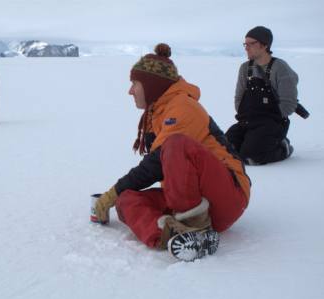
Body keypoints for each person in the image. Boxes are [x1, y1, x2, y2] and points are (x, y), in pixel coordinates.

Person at [94, 43, 251, 262]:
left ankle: (197, 229)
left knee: (175, 144)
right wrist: (117, 196)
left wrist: (112, 191)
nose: (130, 91)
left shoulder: (183, 108)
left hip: (228, 196)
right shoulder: (156, 112)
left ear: (151, 85)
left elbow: (157, 162)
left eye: (134, 83)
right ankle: (172, 236)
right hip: (188, 199)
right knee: (127, 199)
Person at [226, 26, 298, 165]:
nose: (246, 48)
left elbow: (289, 105)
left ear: (264, 45)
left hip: (272, 123)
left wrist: (268, 120)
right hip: (247, 122)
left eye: (251, 44)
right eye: (245, 44)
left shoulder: (280, 68)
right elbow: (239, 97)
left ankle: (283, 147)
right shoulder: (245, 68)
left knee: (251, 157)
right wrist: (246, 117)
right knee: (225, 150)